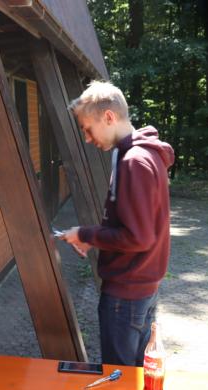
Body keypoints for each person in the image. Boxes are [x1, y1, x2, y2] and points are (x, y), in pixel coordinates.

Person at [60, 80, 174, 367]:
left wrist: (86, 233)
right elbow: (135, 226)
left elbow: (138, 237)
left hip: (126, 295)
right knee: (135, 378)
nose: (87, 138)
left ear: (109, 117)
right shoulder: (141, 155)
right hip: (141, 290)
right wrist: (93, 238)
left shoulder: (134, 161)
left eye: (88, 128)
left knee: (119, 381)